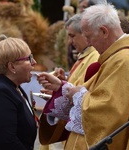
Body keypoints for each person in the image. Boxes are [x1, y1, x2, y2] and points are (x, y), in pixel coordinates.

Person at [37, 3, 129, 150]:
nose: (88, 43)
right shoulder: (116, 57)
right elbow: (96, 93)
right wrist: (64, 88)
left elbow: (109, 113)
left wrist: (79, 95)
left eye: (89, 37)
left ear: (104, 31)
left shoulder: (124, 59)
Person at [39, 13, 99, 150]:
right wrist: (61, 84)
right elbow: (77, 86)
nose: (69, 42)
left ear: (85, 34)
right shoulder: (85, 56)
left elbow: (85, 94)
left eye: (72, 36)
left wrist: (61, 87)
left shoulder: (95, 58)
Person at [0, 36, 38, 150]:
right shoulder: (0, 92)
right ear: (12, 66)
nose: (34, 62)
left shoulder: (14, 87)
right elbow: (6, 141)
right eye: (29, 58)